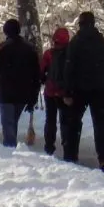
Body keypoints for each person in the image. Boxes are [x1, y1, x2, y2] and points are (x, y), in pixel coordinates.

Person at [54, 11, 104, 169]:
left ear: (80, 24)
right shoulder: (102, 42)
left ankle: (71, 156)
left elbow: (69, 68)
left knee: (74, 123)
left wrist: (67, 92)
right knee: (100, 124)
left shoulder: (76, 42)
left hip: (79, 89)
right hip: (100, 89)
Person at [0, 18, 40, 147]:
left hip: (5, 90)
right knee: (13, 121)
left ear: (5, 31)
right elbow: (36, 74)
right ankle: (12, 146)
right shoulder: (30, 49)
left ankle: (9, 147)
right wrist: (33, 96)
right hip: (24, 91)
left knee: (8, 122)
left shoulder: (1, 48)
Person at [40, 26, 72, 157]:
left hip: (50, 92)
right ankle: (67, 146)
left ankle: (49, 146)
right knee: (65, 121)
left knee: (50, 120)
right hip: (65, 93)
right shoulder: (71, 53)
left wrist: (44, 80)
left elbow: (41, 70)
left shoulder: (48, 54)